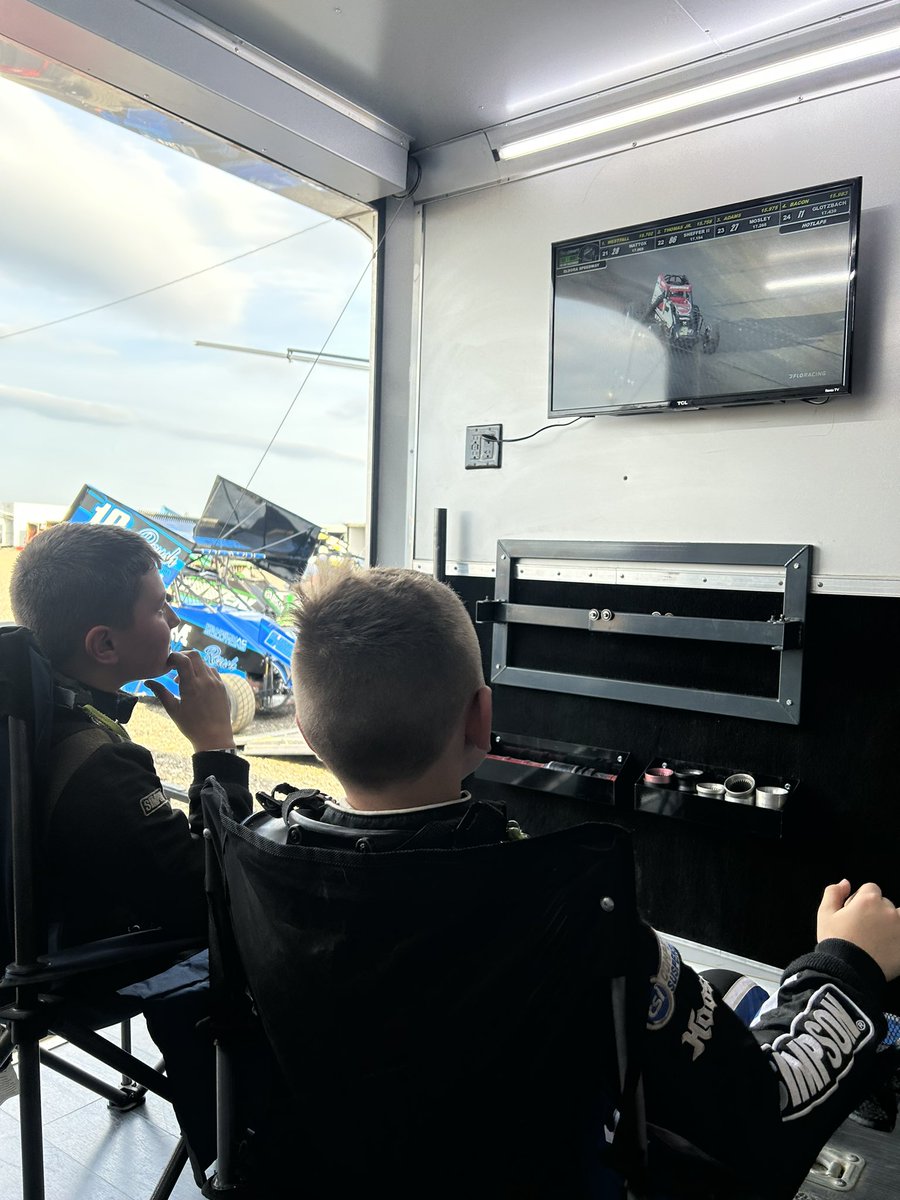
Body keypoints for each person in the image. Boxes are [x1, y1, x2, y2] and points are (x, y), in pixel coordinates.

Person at [228, 562, 897, 1200]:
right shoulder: (570, 914)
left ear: (311, 734)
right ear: (481, 719)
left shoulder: (252, 857)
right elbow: (768, 1113)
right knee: (736, 995)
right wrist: (846, 961)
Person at [9, 520, 252, 949]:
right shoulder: (97, 767)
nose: (175, 619)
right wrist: (216, 749)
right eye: (159, 609)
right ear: (104, 646)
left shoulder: (29, 718)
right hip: (83, 984)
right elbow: (213, 896)